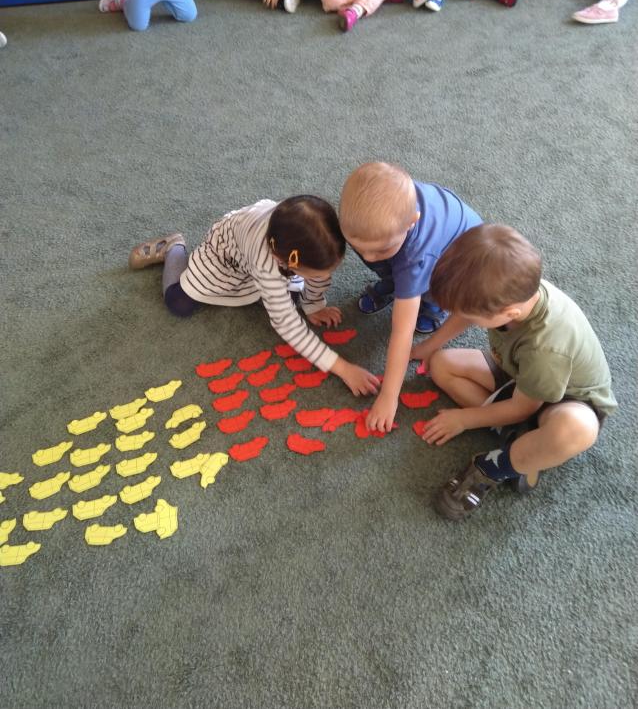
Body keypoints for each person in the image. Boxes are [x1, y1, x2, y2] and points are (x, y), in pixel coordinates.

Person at [410, 224, 617, 521]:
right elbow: (463, 314)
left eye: (472, 317)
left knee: (576, 430)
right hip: (518, 376)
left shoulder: (547, 346)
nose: (465, 319)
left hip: (565, 401)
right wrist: (430, 346)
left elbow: (524, 407)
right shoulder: (507, 294)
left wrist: (464, 419)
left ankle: (493, 466)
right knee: (441, 364)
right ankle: (521, 441)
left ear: (508, 314)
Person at [129, 196, 381, 397]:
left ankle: (283, 287)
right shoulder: (268, 264)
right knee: (179, 302)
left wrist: (313, 304)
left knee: (292, 296)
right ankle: (174, 247)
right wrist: (344, 369)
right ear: (286, 262)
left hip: (262, 257)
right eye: (313, 274)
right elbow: (286, 324)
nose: (324, 277)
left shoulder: (306, 240)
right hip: (225, 256)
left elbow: (318, 274)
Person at [338, 162, 482, 432]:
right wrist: (385, 258)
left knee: (420, 283)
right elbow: (376, 247)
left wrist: (389, 397)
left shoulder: (417, 255)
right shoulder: (376, 220)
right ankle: (395, 282)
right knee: (390, 260)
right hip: (420, 245)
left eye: (379, 250)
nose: (368, 257)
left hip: (459, 261)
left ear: (412, 222)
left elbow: (402, 333)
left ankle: (433, 305)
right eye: (359, 248)